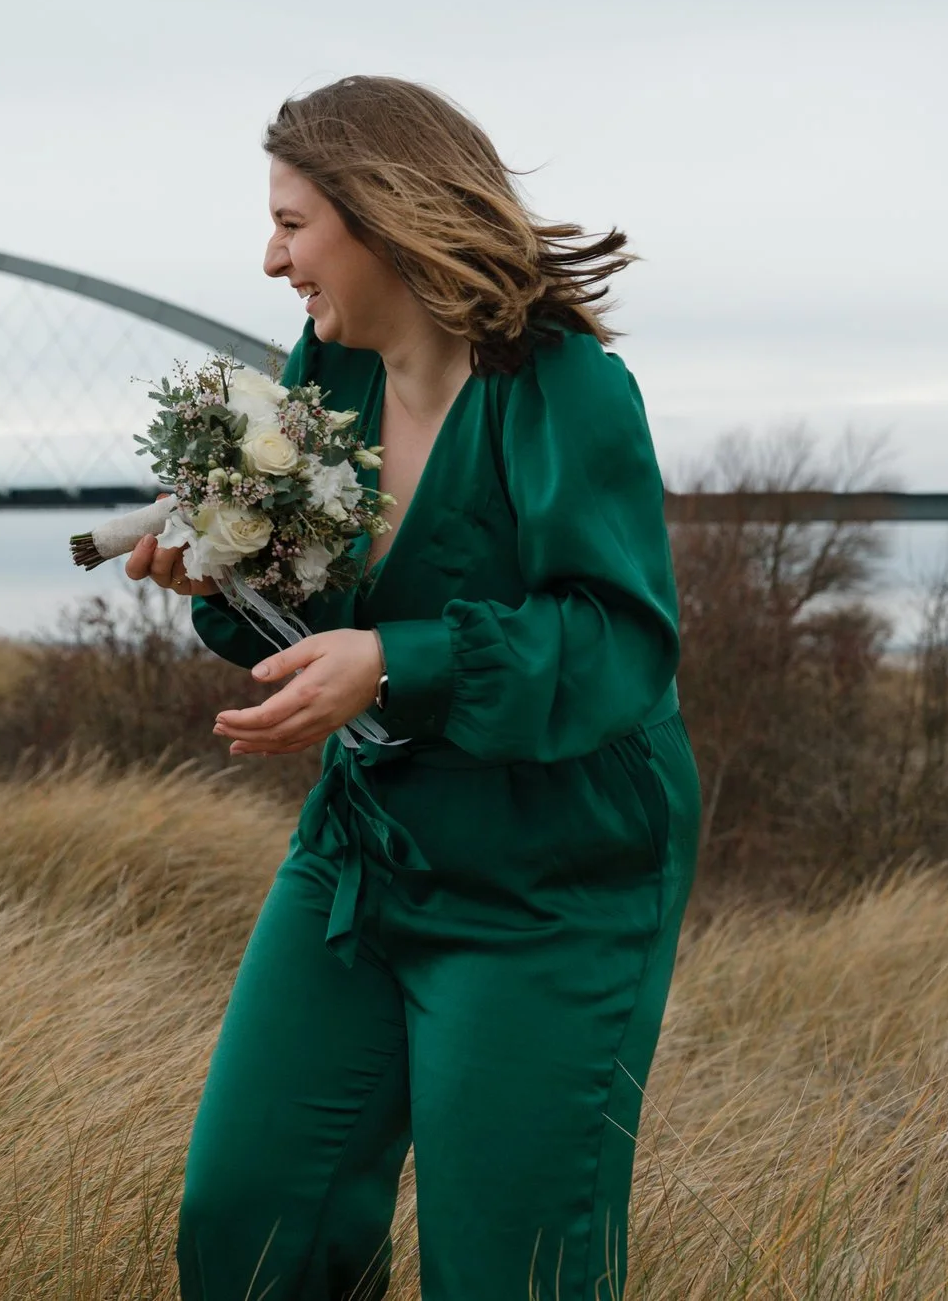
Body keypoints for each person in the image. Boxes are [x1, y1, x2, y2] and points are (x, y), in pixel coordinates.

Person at [129, 77, 697, 1301]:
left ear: (381, 216)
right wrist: (219, 571)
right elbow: (314, 612)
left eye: (292, 223)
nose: (270, 256)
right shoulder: (322, 376)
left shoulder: (564, 387)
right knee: (249, 1216)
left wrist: (399, 661)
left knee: (507, 1263)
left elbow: (614, 638)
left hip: (553, 872)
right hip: (365, 846)